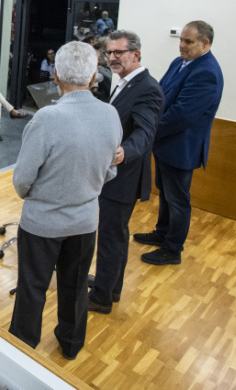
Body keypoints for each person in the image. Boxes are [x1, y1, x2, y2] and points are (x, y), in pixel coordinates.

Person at [8, 41, 121, 360]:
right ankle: (71, 344)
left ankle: (21, 350)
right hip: (85, 223)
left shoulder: (46, 119)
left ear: (55, 75)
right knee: (74, 288)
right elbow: (109, 170)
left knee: (32, 288)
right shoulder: (111, 115)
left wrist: (39, 195)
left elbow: (22, 180)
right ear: (93, 79)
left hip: (42, 224)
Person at [135, 20, 224, 266]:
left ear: (205, 43)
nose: (181, 46)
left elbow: (182, 115)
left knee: (177, 200)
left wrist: (149, 131)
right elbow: (162, 94)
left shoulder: (207, 72)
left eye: (188, 41)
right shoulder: (180, 63)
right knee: (165, 192)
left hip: (181, 147)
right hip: (166, 144)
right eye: (181, 40)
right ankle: (162, 233)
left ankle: (173, 249)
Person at [88, 30, 164, 314]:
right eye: (109, 53)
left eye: (118, 52)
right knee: (116, 235)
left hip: (124, 176)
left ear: (136, 54)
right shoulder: (123, 83)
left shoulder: (147, 88)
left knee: (110, 236)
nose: (112, 58)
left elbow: (145, 133)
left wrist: (124, 152)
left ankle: (101, 298)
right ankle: (111, 286)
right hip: (116, 174)